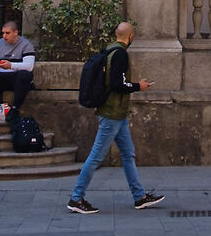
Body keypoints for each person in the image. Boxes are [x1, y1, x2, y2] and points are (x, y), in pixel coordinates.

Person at [68, 21, 163, 213]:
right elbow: (117, 84)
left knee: (128, 154)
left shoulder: (109, 50)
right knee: (96, 156)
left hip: (116, 114)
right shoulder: (120, 54)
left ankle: (139, 197)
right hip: (112, 113)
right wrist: (138, 86)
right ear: (131, 37)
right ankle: (76, 198)